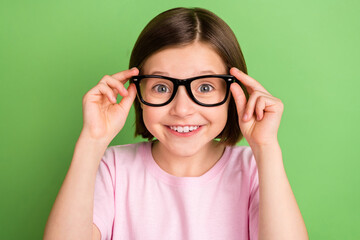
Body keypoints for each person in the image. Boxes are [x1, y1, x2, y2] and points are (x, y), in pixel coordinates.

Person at [43, 7, 308, 240]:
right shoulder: (113, 169)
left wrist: (267, 149)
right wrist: (92, 141)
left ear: (232, 93)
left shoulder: (254, 169)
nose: (181, 109)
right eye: (161, 87)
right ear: (138, 94)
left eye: (204, 87)